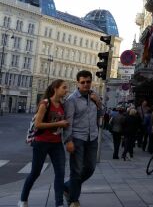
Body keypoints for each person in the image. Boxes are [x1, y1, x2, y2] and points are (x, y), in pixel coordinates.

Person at [19, 80, 69, 207]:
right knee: (35, 172)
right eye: (64, 88)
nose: (66, 90)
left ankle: (59, 203)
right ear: (55, 89)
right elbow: (38, 124)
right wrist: (59, 124)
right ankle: (23, 200)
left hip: (57, 144)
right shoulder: (45, 103)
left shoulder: (63, 105)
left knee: (60, 173)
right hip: (41, 142)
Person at [63, 71, 102, 207]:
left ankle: (67, 187)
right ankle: (73, 200)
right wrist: (68, 141)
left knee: (90, 168)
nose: (86, 84)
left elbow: (101, 115)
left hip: (92, 138)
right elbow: (68, 122)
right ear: (77, 83)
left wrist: (98, 102)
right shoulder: (71, 99)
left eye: (88, 81)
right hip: (77, 138)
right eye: (83, 82)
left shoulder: (94, 96)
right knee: (76, 170)